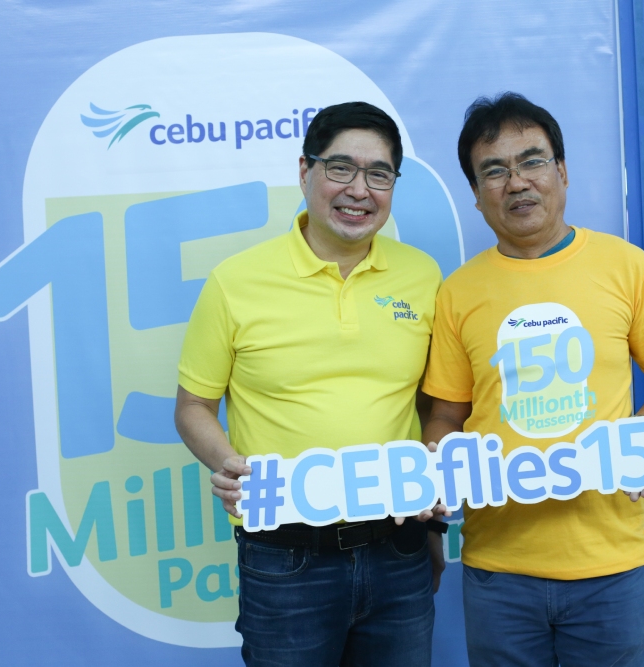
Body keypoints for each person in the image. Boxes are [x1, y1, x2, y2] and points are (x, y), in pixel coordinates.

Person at [421, 93, 644, 667]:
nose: (516, 182)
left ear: (563, 171)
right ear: (475, 195)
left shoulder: (627, 267)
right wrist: (442, 458)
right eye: (493, 171)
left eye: (532, 161)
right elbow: (445, 412)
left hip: (611, 565)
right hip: (498, 569)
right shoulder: (458, 292)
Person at [174, 101, 446, 667]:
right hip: (285, 557)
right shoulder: (236, 281)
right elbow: (194, 405)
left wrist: (435, 513)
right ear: (305, 172)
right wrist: (229, 463)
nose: (359, 190)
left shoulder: (422, 276)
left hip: (399, 551)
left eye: (379, 174)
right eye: (340, 168)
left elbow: (433, 403)